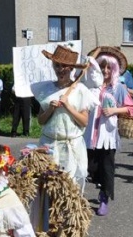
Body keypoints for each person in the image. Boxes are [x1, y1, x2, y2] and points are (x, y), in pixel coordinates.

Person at [84, 48, 133, 216]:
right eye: (102, 67)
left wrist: (115, 110)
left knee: (107, 168)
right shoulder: (91, 85)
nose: (105, 71)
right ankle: (100, 187)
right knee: (90, 168)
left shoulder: (118, 88)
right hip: (90, 136)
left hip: (108, 136)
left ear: (113, 69)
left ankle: (104, 197)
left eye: (109, 68)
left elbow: (132, 109)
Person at [31, 45, 94, 184]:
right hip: (49, 144)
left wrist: (68, 106)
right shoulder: (46, 89)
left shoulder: (80, 90)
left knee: (69, 189)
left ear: (71, 68)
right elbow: (41, 121)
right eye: (57, 65)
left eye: (65, 66)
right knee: (48, 187)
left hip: (71, 147)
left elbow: (84, 122)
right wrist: (50, 109)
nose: (60, 69)